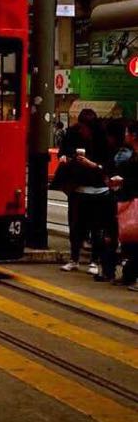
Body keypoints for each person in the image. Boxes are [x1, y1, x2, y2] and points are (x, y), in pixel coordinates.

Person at [57, 112, 118, 278]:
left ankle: (94, 261)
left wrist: (92, 165)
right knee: (76, 226)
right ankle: (74, 258)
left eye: (84, 127)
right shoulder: (72, 134)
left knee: (96, 228)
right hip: (78, 188)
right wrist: (64, 157)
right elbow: (63, 151)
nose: (82, 130)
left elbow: (108, 166)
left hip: (98, 190)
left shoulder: (103, 141)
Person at [111, 121, 138, 290]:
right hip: (130, 200)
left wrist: (124, 181)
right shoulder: (133, 154)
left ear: (134, 135)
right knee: (131, 242)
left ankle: (131, 275)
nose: (125, 135)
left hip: (136, 200)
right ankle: (129, 275)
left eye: (127, 132)